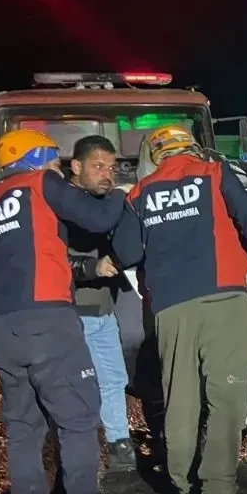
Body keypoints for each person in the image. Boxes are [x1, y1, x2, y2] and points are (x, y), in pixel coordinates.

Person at [0, 129, 127, 494]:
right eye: (53, 161)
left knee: (21, 431)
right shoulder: (38, 183)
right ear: (36, 160)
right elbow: (99, 218)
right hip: (47, 319)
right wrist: (121, 191)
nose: (57, 168)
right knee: (77, 422)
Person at [112, 126, 247, 494]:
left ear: (155, 155)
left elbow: (128, 254)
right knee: (226, 400)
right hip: (223, 300)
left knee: (180, 401)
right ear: (194, 148)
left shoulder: (138, 195)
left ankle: (186, 490)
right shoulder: (216, 174)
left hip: (171, 310)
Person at [64, 135, 135, 471]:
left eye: (111, 166)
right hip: (71, 312)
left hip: (102, 307)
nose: (108, 173)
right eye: (98, 166)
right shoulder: (61, 204)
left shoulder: (101, 202)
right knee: (79, 384)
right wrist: (91, 267)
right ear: (76, 167)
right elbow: (51, 259)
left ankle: (120, 443)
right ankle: (78, 456)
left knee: (113, 378)